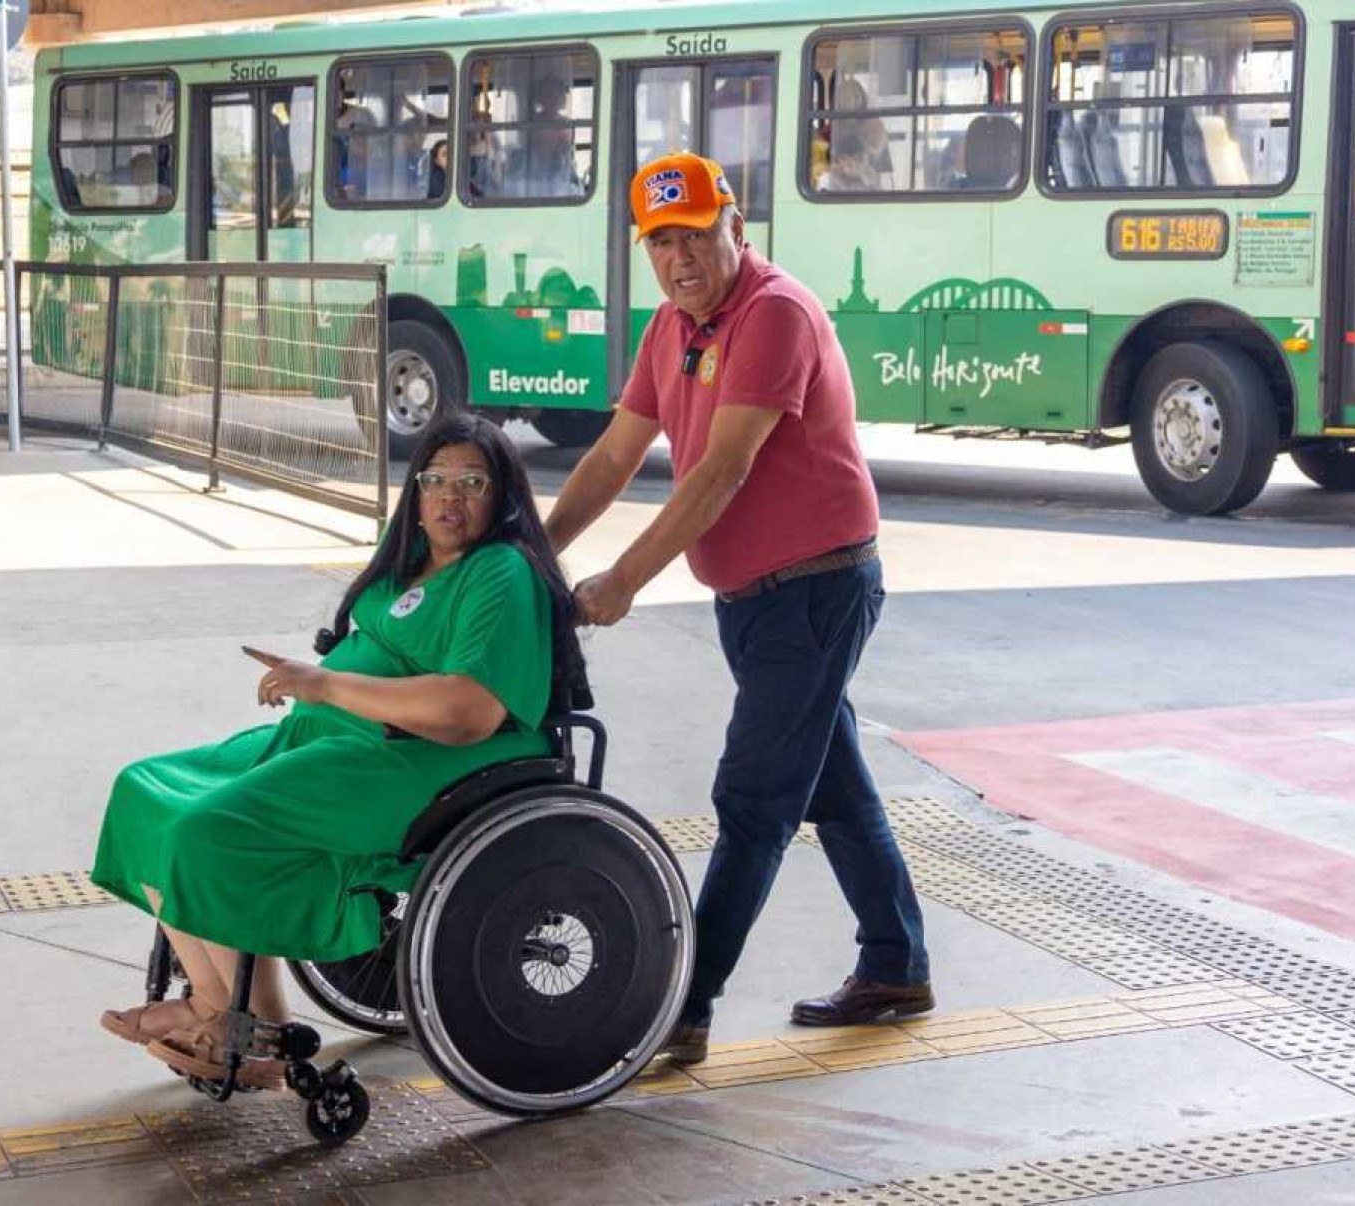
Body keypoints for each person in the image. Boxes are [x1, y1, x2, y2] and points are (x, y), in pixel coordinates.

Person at [545, 152, 931, 1066]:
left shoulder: (774, 315)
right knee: (832, 788)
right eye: (661, 243)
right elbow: (611, 457)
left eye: (696, 236)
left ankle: (685, 1004)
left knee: (753, 802)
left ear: (738, 227)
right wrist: (533, 549)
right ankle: (896, 963)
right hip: (752, 601)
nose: (680, 258)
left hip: (814, 589)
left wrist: (623, 581)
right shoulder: (674, 328)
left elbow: (721, 470)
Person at [93, 413, 586, 1087]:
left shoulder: (499, 570)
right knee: (145, 790)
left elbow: (467, 711)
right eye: (435, 480)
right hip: (333, 735)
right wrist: (318, 687)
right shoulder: (410, 563)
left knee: (210, 831)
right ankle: (225, 1013)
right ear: (415, 492)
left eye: (473, 482)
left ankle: (229, 1020)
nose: (450, 497)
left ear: (501, 497)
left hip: (427, 762)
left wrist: (326, 684)